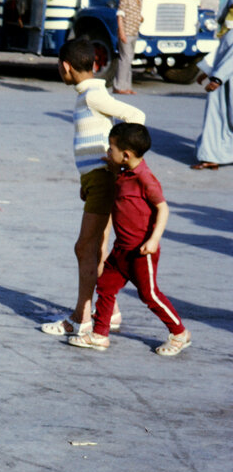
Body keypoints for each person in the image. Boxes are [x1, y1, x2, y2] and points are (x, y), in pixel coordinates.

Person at [40, 38, 145, 337]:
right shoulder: (89, 92)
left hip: (102, 180)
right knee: (95, 247)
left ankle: (80, 318)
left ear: (66, 67)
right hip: (96, 181)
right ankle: (108, 312)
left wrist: (124, 162)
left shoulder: (92, 96)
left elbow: (136, 117)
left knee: (83, 247)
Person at [67, 123, 191, 356]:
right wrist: (90, 190)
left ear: (126, 154)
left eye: (111, 148)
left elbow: (163, 208)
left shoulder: (144, 178)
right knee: (105, 286)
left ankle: (179, 333)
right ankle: (100, 334)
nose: (107, 152)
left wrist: (154, 240)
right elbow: (114, 192)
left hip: (141, 252)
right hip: (121, 249)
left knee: (149, 294)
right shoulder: (121, 172)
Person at [192, 0, 233, 170]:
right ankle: (212, 155)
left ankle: (216, 155)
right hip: (223, 79)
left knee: (225, 117)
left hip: (224, 79)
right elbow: (221, 51)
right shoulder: (228, 32)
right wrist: (207, 72)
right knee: (217, 118)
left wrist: (216, 78)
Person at [113, 0, 144, 95]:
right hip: (125, 31)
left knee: (129, 59)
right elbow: (120, 15)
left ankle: (127, 86)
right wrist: (121, 32)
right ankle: (118, 86)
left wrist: (140, 18)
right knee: (124, 58)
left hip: (134, 31)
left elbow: (137, 13)